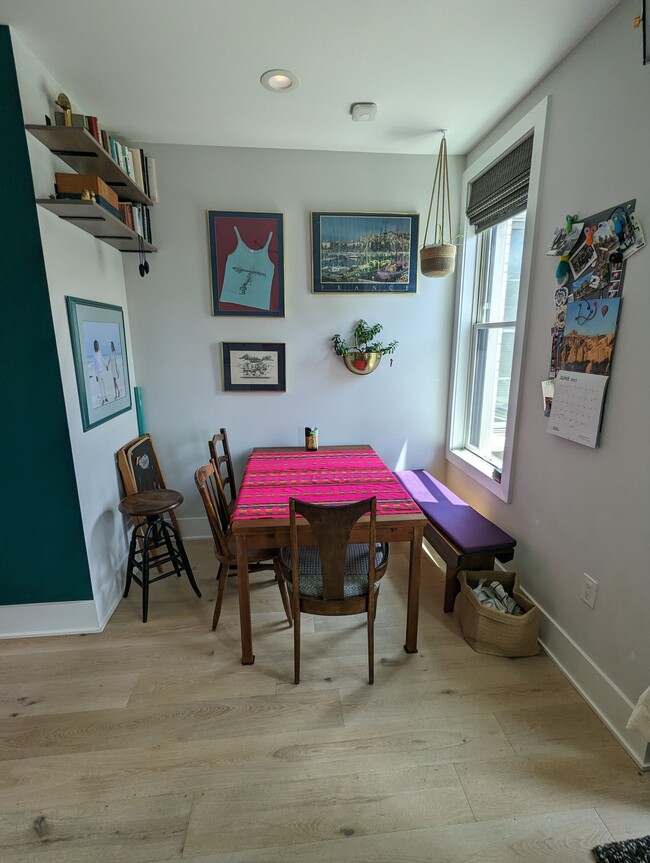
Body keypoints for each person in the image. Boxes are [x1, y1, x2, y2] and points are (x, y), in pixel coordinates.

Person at [92, 339, 109, 405]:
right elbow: (94, 365)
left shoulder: (100, 352)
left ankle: (106, 398)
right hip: (98, 373)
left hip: (102, 371)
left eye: (98, 345)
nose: (97, 346)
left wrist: (106, 365)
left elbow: (102, 359)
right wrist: (95, 375)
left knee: (104, 385)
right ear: (94, 346)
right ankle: (103, 399)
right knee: (100, 387)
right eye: (96, 345)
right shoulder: (94, 354)